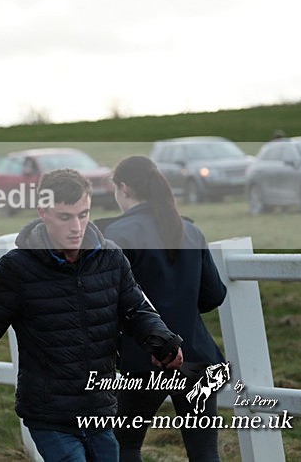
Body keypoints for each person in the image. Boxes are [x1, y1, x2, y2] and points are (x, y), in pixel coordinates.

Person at [0, 168, 184, 462]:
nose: (77, 226)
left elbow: (137, 310)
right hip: (49, 414)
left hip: (100, 408)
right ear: (43, 212)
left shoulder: (111, 257)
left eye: (83, 214)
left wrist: (162, 341)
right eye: (66, 217)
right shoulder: (18, 267)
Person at [95, 156, 227, 462]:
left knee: (124, 446)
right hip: (197, 356)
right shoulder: (190, 231)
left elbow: (108, 302)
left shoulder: (116, 236)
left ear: (123, 188)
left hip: (144, 359)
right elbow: (214, 295)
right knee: (205, 452)